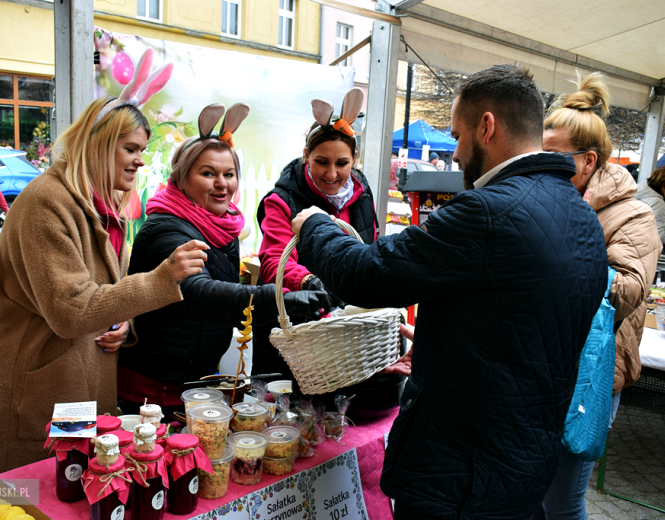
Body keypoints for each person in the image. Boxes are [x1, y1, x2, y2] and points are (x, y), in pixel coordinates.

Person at [290, 64, 609, 520]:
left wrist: (315, 226)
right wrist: (451, 338)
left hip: (462, 475)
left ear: (487, 126)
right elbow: (527, 325)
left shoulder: (489, 211)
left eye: (458, 135)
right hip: (524, 461)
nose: (456, 154)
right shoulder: (579, 216)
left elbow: (368, 274)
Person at [0, 95, 208, 474]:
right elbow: (72, 310)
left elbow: (97, 292)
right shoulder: (45, 203)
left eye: (142, 150)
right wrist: (161, 279)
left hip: (71, 391)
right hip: (37, 392)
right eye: (130, 148)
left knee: (72, 491)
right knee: (21, 502)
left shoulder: (97, 205)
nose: (140, 160)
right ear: (96, 143)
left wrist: (121, 321)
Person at [118, 103, 331, 410]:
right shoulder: (166, 229)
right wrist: (278, 299)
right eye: (208, 173)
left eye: (229, 174)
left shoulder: (222, 228)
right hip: (150, 393)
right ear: (181, 178)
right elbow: (197, 293)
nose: (222, 184)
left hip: (195, 383)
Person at [537, 72, 660, 520]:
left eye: (554, 156)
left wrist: (562, 253)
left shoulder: (635, 216)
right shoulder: (546, 199)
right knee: (531, 494)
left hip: (589, 375)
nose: (541, 164)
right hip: (540, 367)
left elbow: (627, 290)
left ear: (588, 161)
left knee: (563, 503)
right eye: (540, 152)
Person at [253, 88, 378, 379]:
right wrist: (310, 281)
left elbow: (369, 247)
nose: (332, 174)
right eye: (322, 162)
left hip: (343, 334)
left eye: (342, 163)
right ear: (307, 155)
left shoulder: (362, 195)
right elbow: (273, 263)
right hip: (292, 333)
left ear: (354, 159)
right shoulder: (282, 199)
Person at [635, 166, 665, 249]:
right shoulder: (657, 203)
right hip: (638, 248)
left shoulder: (635, 191)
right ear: (664, 187)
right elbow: (659, 235)